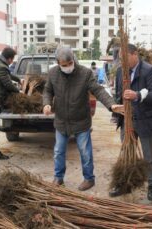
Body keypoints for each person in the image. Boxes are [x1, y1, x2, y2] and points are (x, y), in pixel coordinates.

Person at [43, 47, 123, 191]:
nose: (67, 67)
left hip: (81, 120)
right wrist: (47, 103)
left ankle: (89, 179)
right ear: (58, 63)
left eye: (69, 63)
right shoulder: (53, 73)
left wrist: (111, 105)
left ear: (73, 60)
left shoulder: (85, 73)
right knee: (58, 152)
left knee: (85, 152)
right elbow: (47, 90)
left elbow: (98, 90)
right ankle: (58, 177)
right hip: (61, 120)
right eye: (64, 65)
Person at [109, 44, 152, 201]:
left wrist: (138, 95)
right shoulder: (121, 71)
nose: (122, 62)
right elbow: (119, 94)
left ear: (135, 55)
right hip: (127, 121)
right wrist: (116, 112)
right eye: (120, 59)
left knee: (150, 157)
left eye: (124, 58)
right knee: (127, 153)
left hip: (146, 121)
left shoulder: (150, 70)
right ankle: (125, 183)